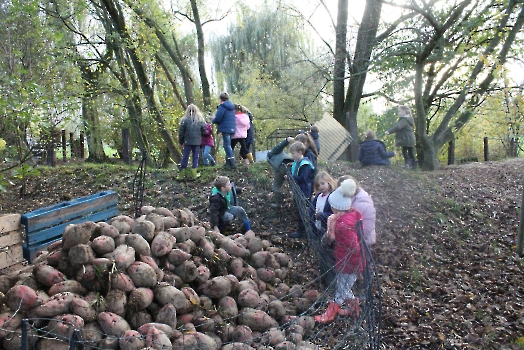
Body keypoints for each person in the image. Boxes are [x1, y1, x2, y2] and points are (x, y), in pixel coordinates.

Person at [315, 178, 364, 323]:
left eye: (332, 206)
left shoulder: (344, 226)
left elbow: (355, 248)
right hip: (344, 260)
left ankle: (331, 312)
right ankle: (353, 305)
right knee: (343, 287)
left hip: (350, 264)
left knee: (340, 290)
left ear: (338, 207)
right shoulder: (347, 216)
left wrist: (356, 268)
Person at [310, 171, 337, 288]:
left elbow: (334, 215)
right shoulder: (317, 198)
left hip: (328, 231)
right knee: (321, 255)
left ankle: (330, 279)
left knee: (328, 256)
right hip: (318, 229)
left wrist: (320, 215)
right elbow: (311, 210)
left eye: (323, 184)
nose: (321, 187)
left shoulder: (333, 197)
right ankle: (324, 278)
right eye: (318, 185)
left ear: (329, 182)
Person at [337, 175, 376, 246]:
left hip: (362, 242)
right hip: (348, 239)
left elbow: (368, 226)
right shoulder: (347, 200)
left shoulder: (364, 204)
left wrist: (355, 241)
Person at [288, 141, 315, 238]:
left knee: (302, 212)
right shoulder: (297, 163)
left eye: (293, 153)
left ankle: (303, 231)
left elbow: (303, 178)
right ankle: (302, 230)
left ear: (300, 152)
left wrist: (290, 177)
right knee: (298, 210)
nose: (292, 155)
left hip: (303, 191)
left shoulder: (305, 164)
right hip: (298, 191)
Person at [178, 104, 206, 179]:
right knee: (195, 157)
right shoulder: (200, 119)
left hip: (187, 141)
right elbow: (204, 131)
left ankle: (181, 175)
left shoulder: (184, 120)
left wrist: (181, 142)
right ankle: (194, 174)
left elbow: (181, 132)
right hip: (197, 142)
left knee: (185, 157)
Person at [213, 92, 237, 168]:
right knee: (227, 145)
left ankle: (232, 163)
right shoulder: (232, 107)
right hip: (232, 128)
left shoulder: (222, 107)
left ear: (221, 99)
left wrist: (213, 120)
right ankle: (228, 162)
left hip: (225, 128)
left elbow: (218, 118)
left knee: (226, 145)